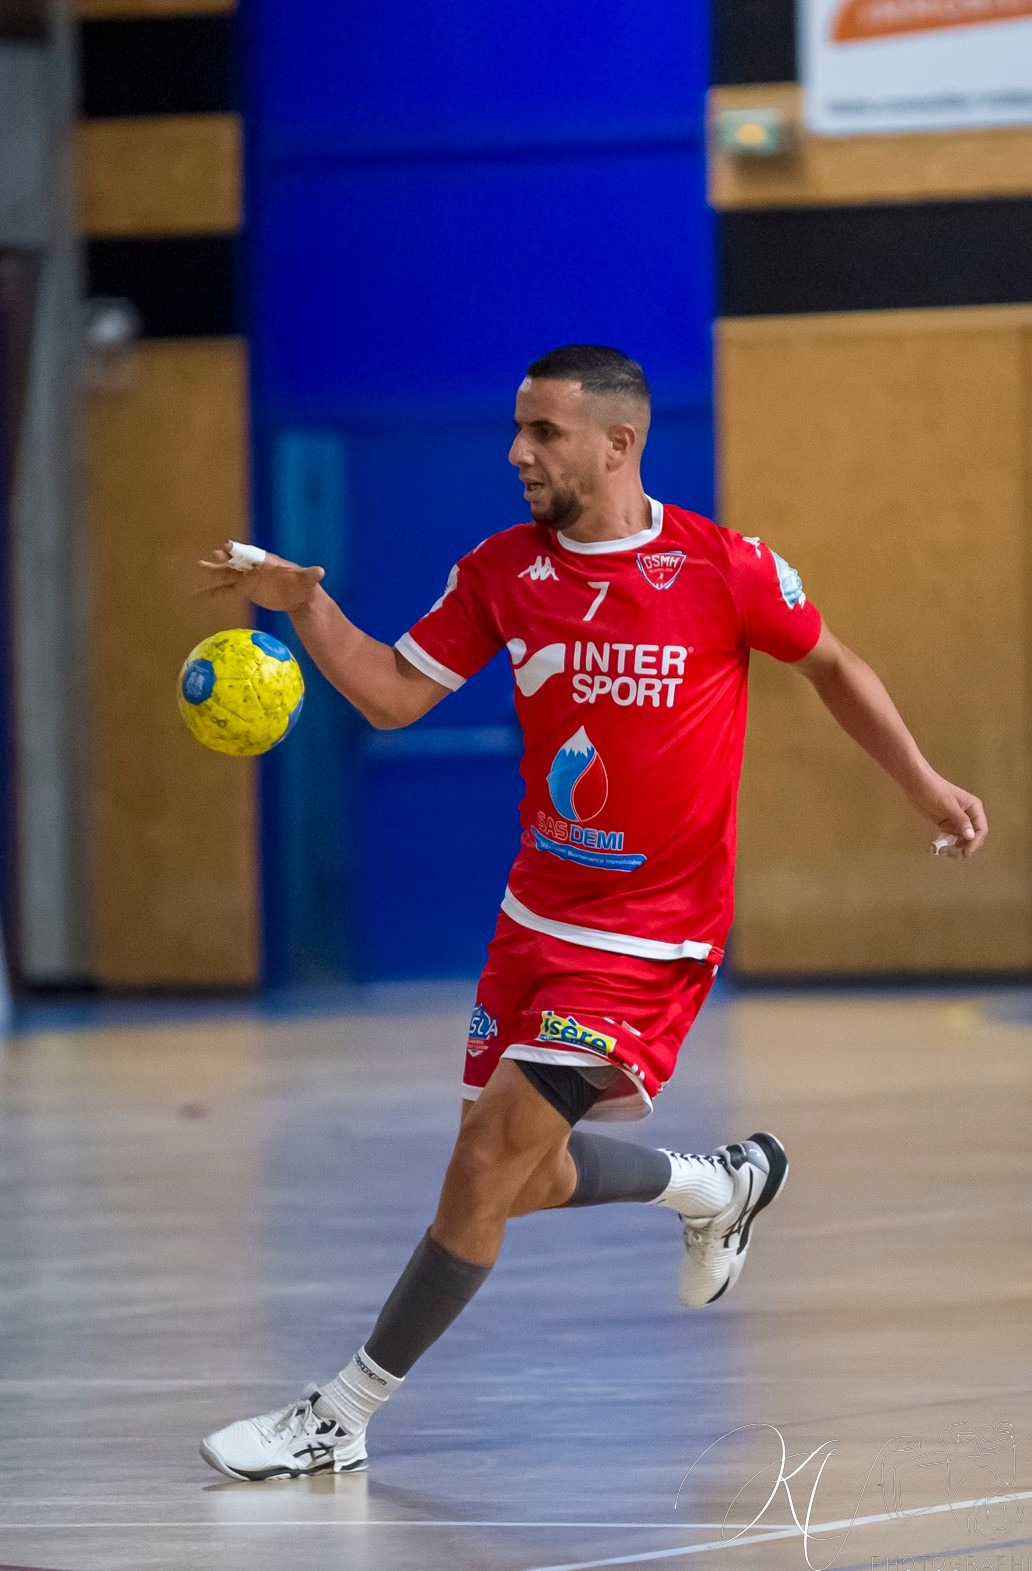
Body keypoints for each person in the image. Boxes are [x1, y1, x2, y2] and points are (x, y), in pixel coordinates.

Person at [196, 344, 987, 1482]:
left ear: (617, 443)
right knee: (529, 1175)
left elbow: (833, 665)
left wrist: (921, 782)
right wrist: (307, 606)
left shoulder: (722, 568)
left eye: (544, 432)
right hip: (535, 919)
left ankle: (338, 1413)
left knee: (480, 1162)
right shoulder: (502, 571)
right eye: (516, 429)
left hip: (652, 936)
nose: (517, 451)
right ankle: (714, 1184)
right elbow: (390, 692)